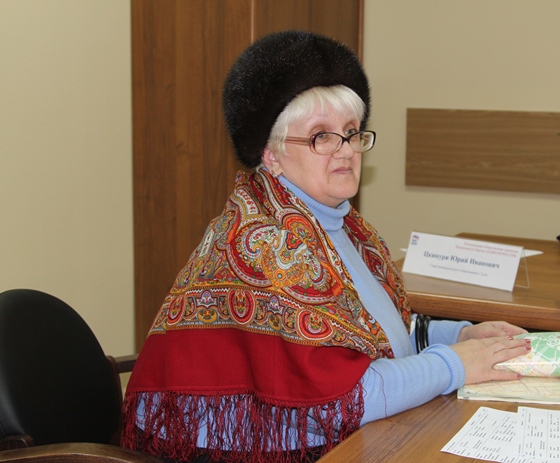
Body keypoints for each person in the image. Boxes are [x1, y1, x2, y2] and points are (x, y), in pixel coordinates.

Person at [121, 30, 529, 463]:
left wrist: (460, 335)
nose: (346, 150)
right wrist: (457, 363)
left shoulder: (345, 226)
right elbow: (346, 399)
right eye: (321, 136)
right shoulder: (267, 243)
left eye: (351, 132)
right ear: (272, 154)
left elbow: (372, 334)